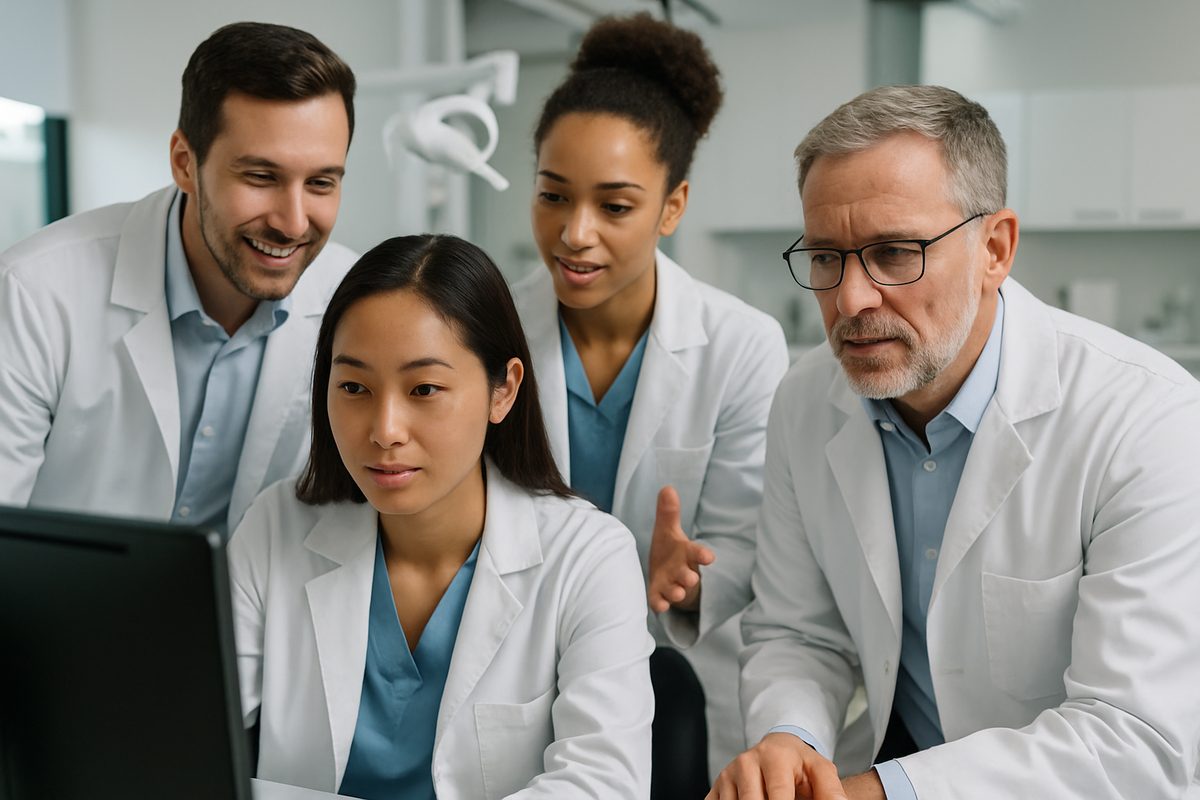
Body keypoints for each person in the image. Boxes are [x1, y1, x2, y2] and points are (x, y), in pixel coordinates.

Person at [709, 84, 1200, 799]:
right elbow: (799, 631)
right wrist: (792, 742)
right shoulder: (804, 402)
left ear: (994, 249)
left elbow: (1132, 739)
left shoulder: (1146, 420)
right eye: (826, 257)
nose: (850, 300)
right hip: (883, 763)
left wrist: (866, 794)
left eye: (893, 252)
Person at [228, 234, 654, 799]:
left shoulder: (590, 558)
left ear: (503, 390)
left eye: (424, 388)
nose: (384, 429)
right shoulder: (275, 527)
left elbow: (604, 785)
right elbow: (183, 737)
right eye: (353, 386)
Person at [510, 13, 789, 784]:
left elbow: (748, 540)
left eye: (616, 206)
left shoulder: (741, 345)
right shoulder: (486, 328)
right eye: (552, 196)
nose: (574, 233)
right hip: (522, 668)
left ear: (672, 206)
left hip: (674, 678)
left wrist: (693, 578)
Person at [0, 21, 358, 535]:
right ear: (185, 163)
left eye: (321, 182)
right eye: (261, 177)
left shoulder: (356, 299)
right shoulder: (33, 291)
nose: (293, 222)